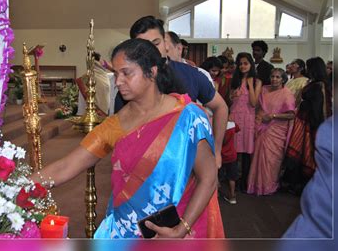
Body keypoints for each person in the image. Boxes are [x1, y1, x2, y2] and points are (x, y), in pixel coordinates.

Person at [31, 39, 224, 238]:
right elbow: (66, 166)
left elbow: (208, 178)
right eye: (115, 73)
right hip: (124, 231)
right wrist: (14, 186)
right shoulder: (115, 124)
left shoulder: (188, 117)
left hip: (174, 232)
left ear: (152, 71)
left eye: (126, 73)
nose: (118, 81)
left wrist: (180, 229)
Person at [119, 16, 228, 169]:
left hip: (188, 163)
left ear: (165, 43)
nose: (151, 50)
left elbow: (221, 107)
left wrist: (216, 151)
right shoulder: (128, 83)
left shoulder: (191, 74)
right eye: (143, 46)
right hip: (144, 168)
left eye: (156, 43)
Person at [282, 57, 332, 195]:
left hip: (310, 125)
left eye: (309, 67)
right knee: (300, 154)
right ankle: (295, 184)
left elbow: (319, 109)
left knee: (306, 154)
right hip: (303, 122)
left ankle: (303, 186)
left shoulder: (319, 86)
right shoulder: (315, 83)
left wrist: (316, 129)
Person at [247, 68, 295, 195]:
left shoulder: (286, 93)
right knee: (257, 157)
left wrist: (273, 116)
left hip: (275, 131)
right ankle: (256, 186)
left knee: (271, 160)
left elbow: (291, 115)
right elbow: (256, 106)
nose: (274, 79)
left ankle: (268, 186)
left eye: (278, 77)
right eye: (272, 76)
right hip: (260, 126)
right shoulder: (264, 90)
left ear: (283, 79)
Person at [229, 52, 262, 191]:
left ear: (251, 64)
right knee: (234, 151)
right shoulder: (234, 79)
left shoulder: (256, 81)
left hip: (248, 118)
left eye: (246, 63)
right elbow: (230, 100)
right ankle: (233, 181)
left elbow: (254, 103)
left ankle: (245, 182)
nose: (243, 66)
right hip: (235, 116)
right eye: (240, 64)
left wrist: (250, 84)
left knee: (247, 152)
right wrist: (233, 95)